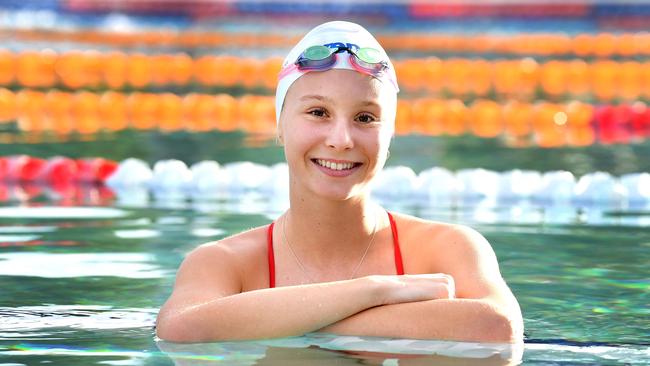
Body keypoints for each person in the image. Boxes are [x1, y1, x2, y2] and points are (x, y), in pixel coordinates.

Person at [156, 21, 524, 344]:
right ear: (280, 125)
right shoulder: (223, 264)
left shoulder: (446, 248)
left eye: (366, 117)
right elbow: (180, 329)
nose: (341, 139)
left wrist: (274, 322)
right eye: (318, 112)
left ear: (389, 136)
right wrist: (377, 290)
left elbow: (497, 327)